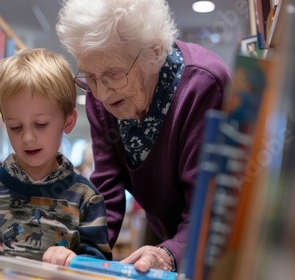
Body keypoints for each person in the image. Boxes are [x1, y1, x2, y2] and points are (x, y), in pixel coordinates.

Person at [56, 0, 232, 273]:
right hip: (162, 232)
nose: (101, 95)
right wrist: (81, 255)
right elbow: (107, 189)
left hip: (218, 243)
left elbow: (210, 205)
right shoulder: (101, 97)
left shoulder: (205, 87)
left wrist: (169, 253)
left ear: (154, 53)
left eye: (113, 75)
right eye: (89, 77)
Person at [0, 48, 112, 269]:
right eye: (15, 127)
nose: (28, 138)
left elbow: (101, 267)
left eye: (40, 124)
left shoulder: (87, 199)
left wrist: (75, 261)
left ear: (68, 122)